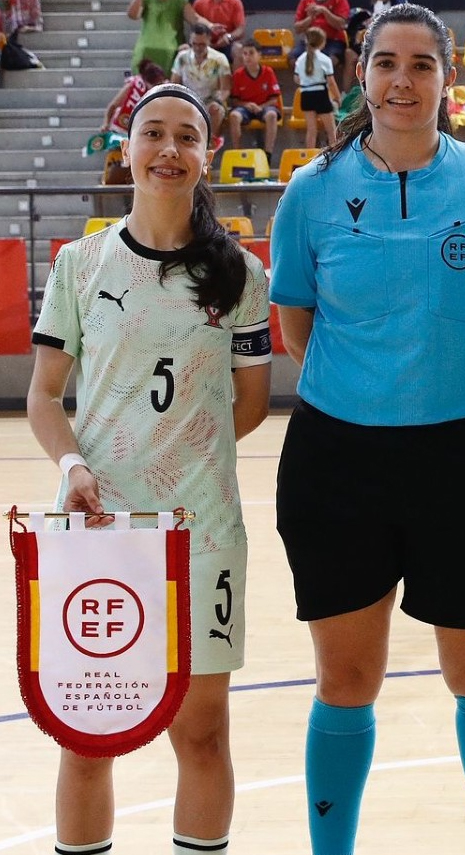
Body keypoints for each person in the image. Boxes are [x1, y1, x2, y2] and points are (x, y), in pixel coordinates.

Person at [269, 5, 465, 854]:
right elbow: (296, 326)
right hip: (339, 460)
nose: (402, 80)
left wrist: (454, 381)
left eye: (422, 64)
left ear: (447, 79)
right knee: (347, 678)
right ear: (361, 74)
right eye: (386, 62)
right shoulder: (312, 190)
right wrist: (371, 390)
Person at [27, 82, 271, 855]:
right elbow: (43, 393)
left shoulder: (239, 273)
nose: (169, 149)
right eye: (153, 133)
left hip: (202, 533)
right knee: (86, 736)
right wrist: (74, 463)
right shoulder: (79, 263)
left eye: (187, 136)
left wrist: (181, 456)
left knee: (201, 733)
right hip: (97, 530)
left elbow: (250, 404)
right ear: (125, 149)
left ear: (209, 154)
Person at [171, 23, 233, 145]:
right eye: (194, 44)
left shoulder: (219, 59)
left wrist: (219, 100)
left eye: (202, 44)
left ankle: (208, 145)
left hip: (210, 100)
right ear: (190, 41)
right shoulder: (182, 58)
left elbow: (225, 89)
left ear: (209, 41)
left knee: (216, 110)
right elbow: (174, 84)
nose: (198, 48)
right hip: (188, 100)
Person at [227, 40, 281, 157]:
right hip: (245, 108)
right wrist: (246, 105)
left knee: (272, 115)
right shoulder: (238, 74)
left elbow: (274, 99)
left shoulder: (268, 72)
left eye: (251, 53)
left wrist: (260, 107)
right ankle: (237, 153)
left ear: (259, 54)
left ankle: (268, 154)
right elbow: (234, 100)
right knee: (234, 116)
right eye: (245, 53)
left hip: (265, 106)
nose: (247, 57)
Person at [294, 27, 340, 148]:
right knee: (331, 130)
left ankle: (309, 157)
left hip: (305, 95)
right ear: (322, 42)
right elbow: (331, 82)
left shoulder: (300, 59)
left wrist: (307, 81)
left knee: (311, 130)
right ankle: (335, 155)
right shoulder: (325, 59)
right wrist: (337, 97)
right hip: (320, 94)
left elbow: (296, 78)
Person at [127, 0, 200, 75]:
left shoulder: (180, 2)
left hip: (172, 55)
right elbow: (133, 15)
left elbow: (195, 19)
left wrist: (208, 25)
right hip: (145, 53)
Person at [101, 58, 167, 134]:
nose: (160, 86)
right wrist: (106, 123)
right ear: (147, 82)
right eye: (158, 84)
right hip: (119, 128)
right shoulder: (133, 86)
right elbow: (113, 105)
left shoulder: (160, 93)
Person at [289, 0, 349, 78]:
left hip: (333, 41)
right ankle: (306, 81)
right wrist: (310, 18)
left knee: (331, 59)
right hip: (310, 40)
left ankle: (322, 81)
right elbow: (297, 29)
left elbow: (341, 25)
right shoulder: (305, 2)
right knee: (293, 58)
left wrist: (325, 11)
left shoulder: (340, 1)